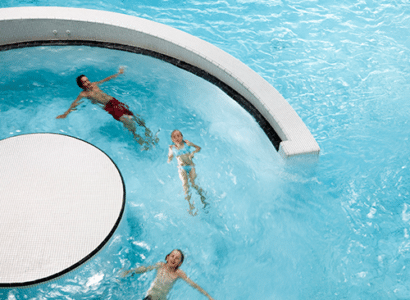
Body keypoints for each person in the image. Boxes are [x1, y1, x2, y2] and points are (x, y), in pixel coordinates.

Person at [56, 67, 157, 148]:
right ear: (81, 86)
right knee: (127, 120)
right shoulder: (84, 94)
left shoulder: (95, 84)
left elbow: (107, 79)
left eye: (88, 80)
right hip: (109, 108)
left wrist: (118, 73)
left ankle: (146, 130)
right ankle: (136, 136)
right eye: (85, 82)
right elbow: (75, 103)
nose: (88, 82)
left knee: (134, 116)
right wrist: (66, 113)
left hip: (114, 101)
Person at [121, 249, 215, 300]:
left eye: (177, 258)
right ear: (167, 257)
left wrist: (208, 296)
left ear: (180, 263)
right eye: (172, 256)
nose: (174, 259)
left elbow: (193, 284)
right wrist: (131, 271)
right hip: (150, 297)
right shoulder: (160, 265)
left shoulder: (179, 273)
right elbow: (145, 268)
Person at [167, 130, 207, 215]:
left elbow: (198, 148)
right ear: (172, 139)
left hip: (191, 167)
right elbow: (170, 157)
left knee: (193, 184)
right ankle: (190, 206)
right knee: (185, 186)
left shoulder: (187, 144)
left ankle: (203, 198)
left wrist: (192, 153)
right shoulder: (172, 148)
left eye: (178, 136)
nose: (177, 138)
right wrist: (169, 158)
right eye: (174, 137)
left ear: (182, 137)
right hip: (181, 168)